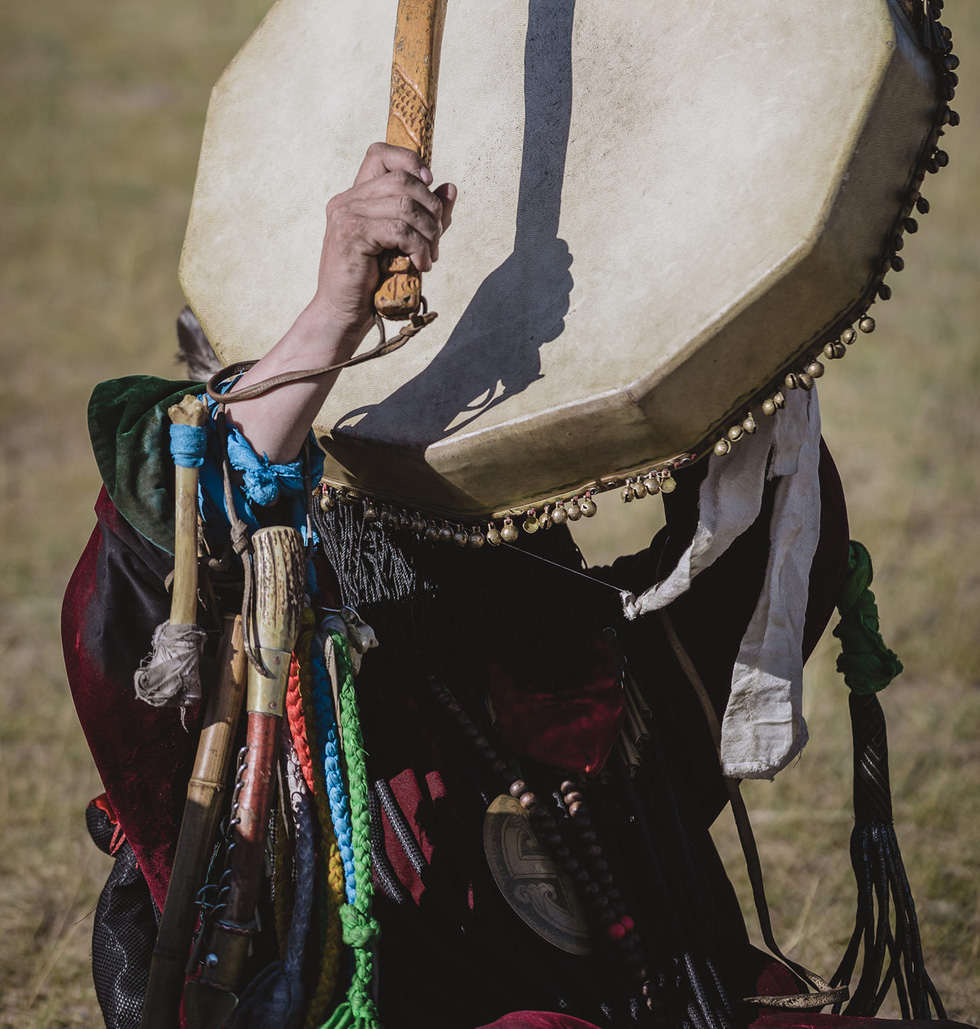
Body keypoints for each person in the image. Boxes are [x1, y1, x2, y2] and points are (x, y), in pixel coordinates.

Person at [66, 142, 917, 1029]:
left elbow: (766, 551)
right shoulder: (222, 710)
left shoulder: (557, 649)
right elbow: (157, 537)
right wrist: (330, 319)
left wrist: (710, 289)